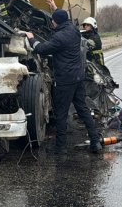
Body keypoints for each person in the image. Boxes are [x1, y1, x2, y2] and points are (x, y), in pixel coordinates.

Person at [25, 8, 102, 155]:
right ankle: (95, 142)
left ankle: (61, 148)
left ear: (57, 22)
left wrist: (31, 38)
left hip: (65, 80)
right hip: (78, 78)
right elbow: (62, 20)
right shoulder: (74, 30)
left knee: (61, 113)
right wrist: (54, 8)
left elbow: (41, 49)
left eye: (53, 21)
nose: (52, 23)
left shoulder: (59, 37)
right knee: (83, 110)